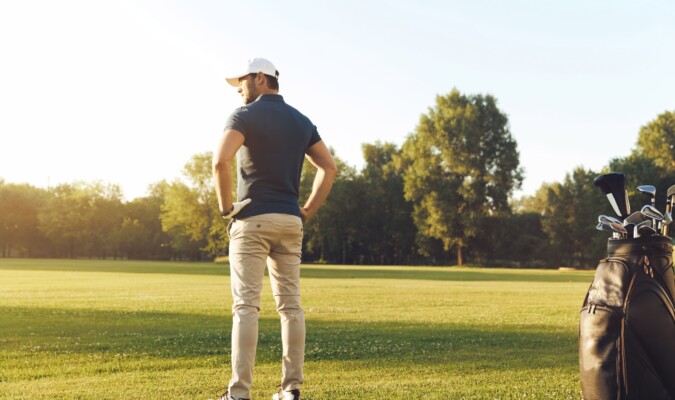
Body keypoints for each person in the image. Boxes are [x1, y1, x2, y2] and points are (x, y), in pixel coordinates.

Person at [213, 58, 337, 400]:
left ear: (261, 78)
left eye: (242, 81)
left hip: (252, 220)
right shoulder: (302, 121)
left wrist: (226, 208)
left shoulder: (243, 117)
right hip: (289, 222)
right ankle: (291, 389)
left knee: (246, 307)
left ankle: (238, 393)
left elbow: (220, 161)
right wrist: (308, 209)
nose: (239, 88)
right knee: (291, 307)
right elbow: (329, 168)